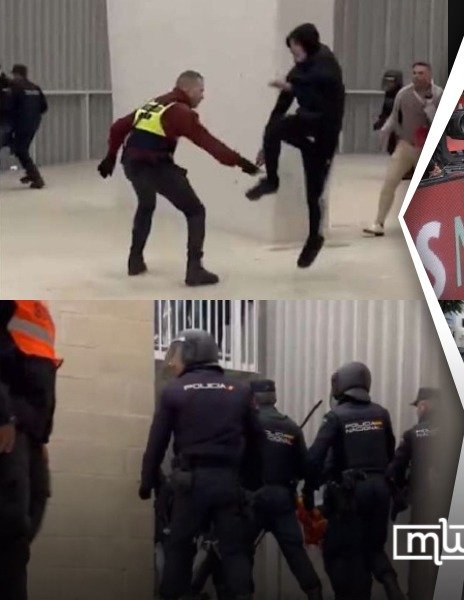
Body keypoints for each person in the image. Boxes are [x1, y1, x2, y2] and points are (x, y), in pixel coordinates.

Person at [98, 70, 260, 286]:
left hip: (131, 165)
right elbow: (209, 143)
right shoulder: (180, 112)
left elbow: (118, 126)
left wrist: (110, 157)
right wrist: (242, 163)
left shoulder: (156, 104)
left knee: (146, 204)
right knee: (195, 211)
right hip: (155, 166)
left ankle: (135, 261)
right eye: (201, 90)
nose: (203, 96)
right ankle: (195, 270)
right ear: (188, 89)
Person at [139, 329, 261, 600]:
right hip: (228, 483)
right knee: (235, 551)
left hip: (191, 484)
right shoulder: (240, 391)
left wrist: (147, 483)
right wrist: (251, 483)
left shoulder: (174, 391)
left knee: (179, 549)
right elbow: (257, 441)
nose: (174, 361)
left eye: (178, 354)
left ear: (191, 354)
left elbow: (156, 443)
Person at [246, 23, 346, 267]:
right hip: (306, 123)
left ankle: (314, 237)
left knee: (314, 192)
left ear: (307, 45)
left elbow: (320, 81)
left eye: (295, 50)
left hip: (325, 131)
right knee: (275, 128)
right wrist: (267, 143)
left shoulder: (326, 62)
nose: (293, 55)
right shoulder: (301, 69)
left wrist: (292, 85)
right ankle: (272, 180)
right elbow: (282, 105)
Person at [305, 362, 406, 600]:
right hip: (380, 490)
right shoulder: (381, 414)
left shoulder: (335, 416)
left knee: (343, 553)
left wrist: (308, 490)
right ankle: (393, 588)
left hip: (351, 493)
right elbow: (391, 454)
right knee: (374, 548)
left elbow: (315, 458)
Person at [0, 301, 61, 600]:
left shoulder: (37, 307)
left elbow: (42, 376)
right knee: (10, 527)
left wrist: (42, 438)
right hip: (9, 423)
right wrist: (2, 417)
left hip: (30, 433)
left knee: (25, 524)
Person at [244, 379, 323, 600]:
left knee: (241, 553)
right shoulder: (291, 427)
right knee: (296, 555)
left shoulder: (246, 424)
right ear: (274, 398)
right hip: (282, 501)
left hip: (252, 500)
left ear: (252, 399)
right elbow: (306, 468)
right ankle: (315, 594)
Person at [364, 62, 442, 237]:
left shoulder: (438, 94)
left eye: (421, 73)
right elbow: (393, 116)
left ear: (429, 75)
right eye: (414, 73)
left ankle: (437, 224)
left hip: (429, 149)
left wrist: (429, 107)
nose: (417, 76)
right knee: (389, 182)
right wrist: (385, 130)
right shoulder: (403, 94)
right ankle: (378, 223)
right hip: (406, 145)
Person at [387, 387, 442, 600]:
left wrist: (400, 491)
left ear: (424, 406)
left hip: (422, 500)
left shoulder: (413, 434)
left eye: (418, 406)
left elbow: (396, 469)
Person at [2, 65, 48, 189]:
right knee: (21, 150)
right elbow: (44, 107)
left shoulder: (14, 87)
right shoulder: (35, 88)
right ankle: (34, 176)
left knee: (19, 149)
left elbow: (7, 107)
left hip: (17, 125)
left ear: (17, 74)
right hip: (32, 124)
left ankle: (36, 178)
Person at [374, 69, 404, 155]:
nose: (389, 84)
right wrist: (381, 121)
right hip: (392, 126)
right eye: (387, 82)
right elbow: (385, 110)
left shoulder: (402, 94)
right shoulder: (388, 94)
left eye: (391, 82)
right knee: (391, 148)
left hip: (401, 126)